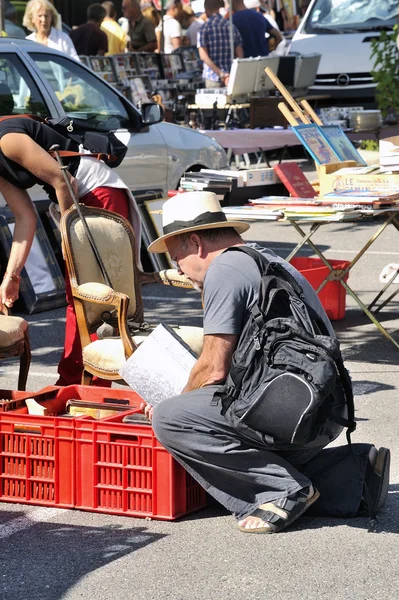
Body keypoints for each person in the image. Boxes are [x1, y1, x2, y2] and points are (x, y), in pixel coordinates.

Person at [144, 191, 391, 533]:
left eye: (176, 260)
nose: (181, 272)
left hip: (287, 413)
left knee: (174, 420)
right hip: (323, 409)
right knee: (240, 459)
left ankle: (282, 491)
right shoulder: (265, 258)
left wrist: (174, 401)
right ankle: (354, 473)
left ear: (196, 243)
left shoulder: (224, 270)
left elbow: (214, 367)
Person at [0, 117, 141, 387]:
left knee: (92, 296)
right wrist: (12, 277)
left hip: (98, 191)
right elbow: (25, 217)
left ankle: (82, 383)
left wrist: (72, 246)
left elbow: (65, 182)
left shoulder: (6, 140)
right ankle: (76, 381)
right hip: (75, 198)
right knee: (78, 296)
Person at [198, 0, 243, 89]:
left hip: (212, 77)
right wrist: (231, 74)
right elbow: (240, 54)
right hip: (231, 76)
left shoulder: (204, 28)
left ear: (206, 8)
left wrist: (221, 74)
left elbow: (203, 56)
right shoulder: (231, 27)